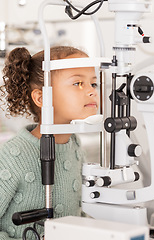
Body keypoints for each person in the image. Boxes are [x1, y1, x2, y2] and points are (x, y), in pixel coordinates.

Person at [0, 46, 99, 239]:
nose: (91, 91)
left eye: (93, 84)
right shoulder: (13, 155)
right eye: (78, 83)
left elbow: (75, 215)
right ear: (41, 97)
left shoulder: (75, 145)